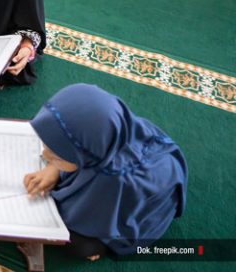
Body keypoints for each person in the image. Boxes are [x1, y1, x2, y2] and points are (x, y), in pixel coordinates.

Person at [23, 84, 187, 260]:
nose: (45, 155)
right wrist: (54, 167)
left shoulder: (112, 179)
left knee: (77, 245)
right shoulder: (109, 130)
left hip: (134, 209)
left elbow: (88, 218)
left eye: (57, 155)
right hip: (123, 181)